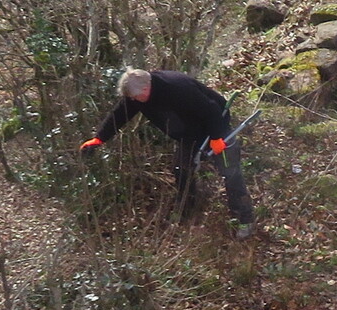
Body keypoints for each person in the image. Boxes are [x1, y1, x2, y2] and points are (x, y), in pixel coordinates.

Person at [82, 67, 254, 233]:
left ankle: (244, 218)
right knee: (181, 170)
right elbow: (119, 114)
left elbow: (212, 109)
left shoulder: (177, 87)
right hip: (190, 133)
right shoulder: (137, 95)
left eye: (135, 97)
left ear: (146, 88)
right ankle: (189, 212)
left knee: (230, 172)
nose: (133, 100)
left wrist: (216, 137)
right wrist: (99, 138)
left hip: (216, 124)